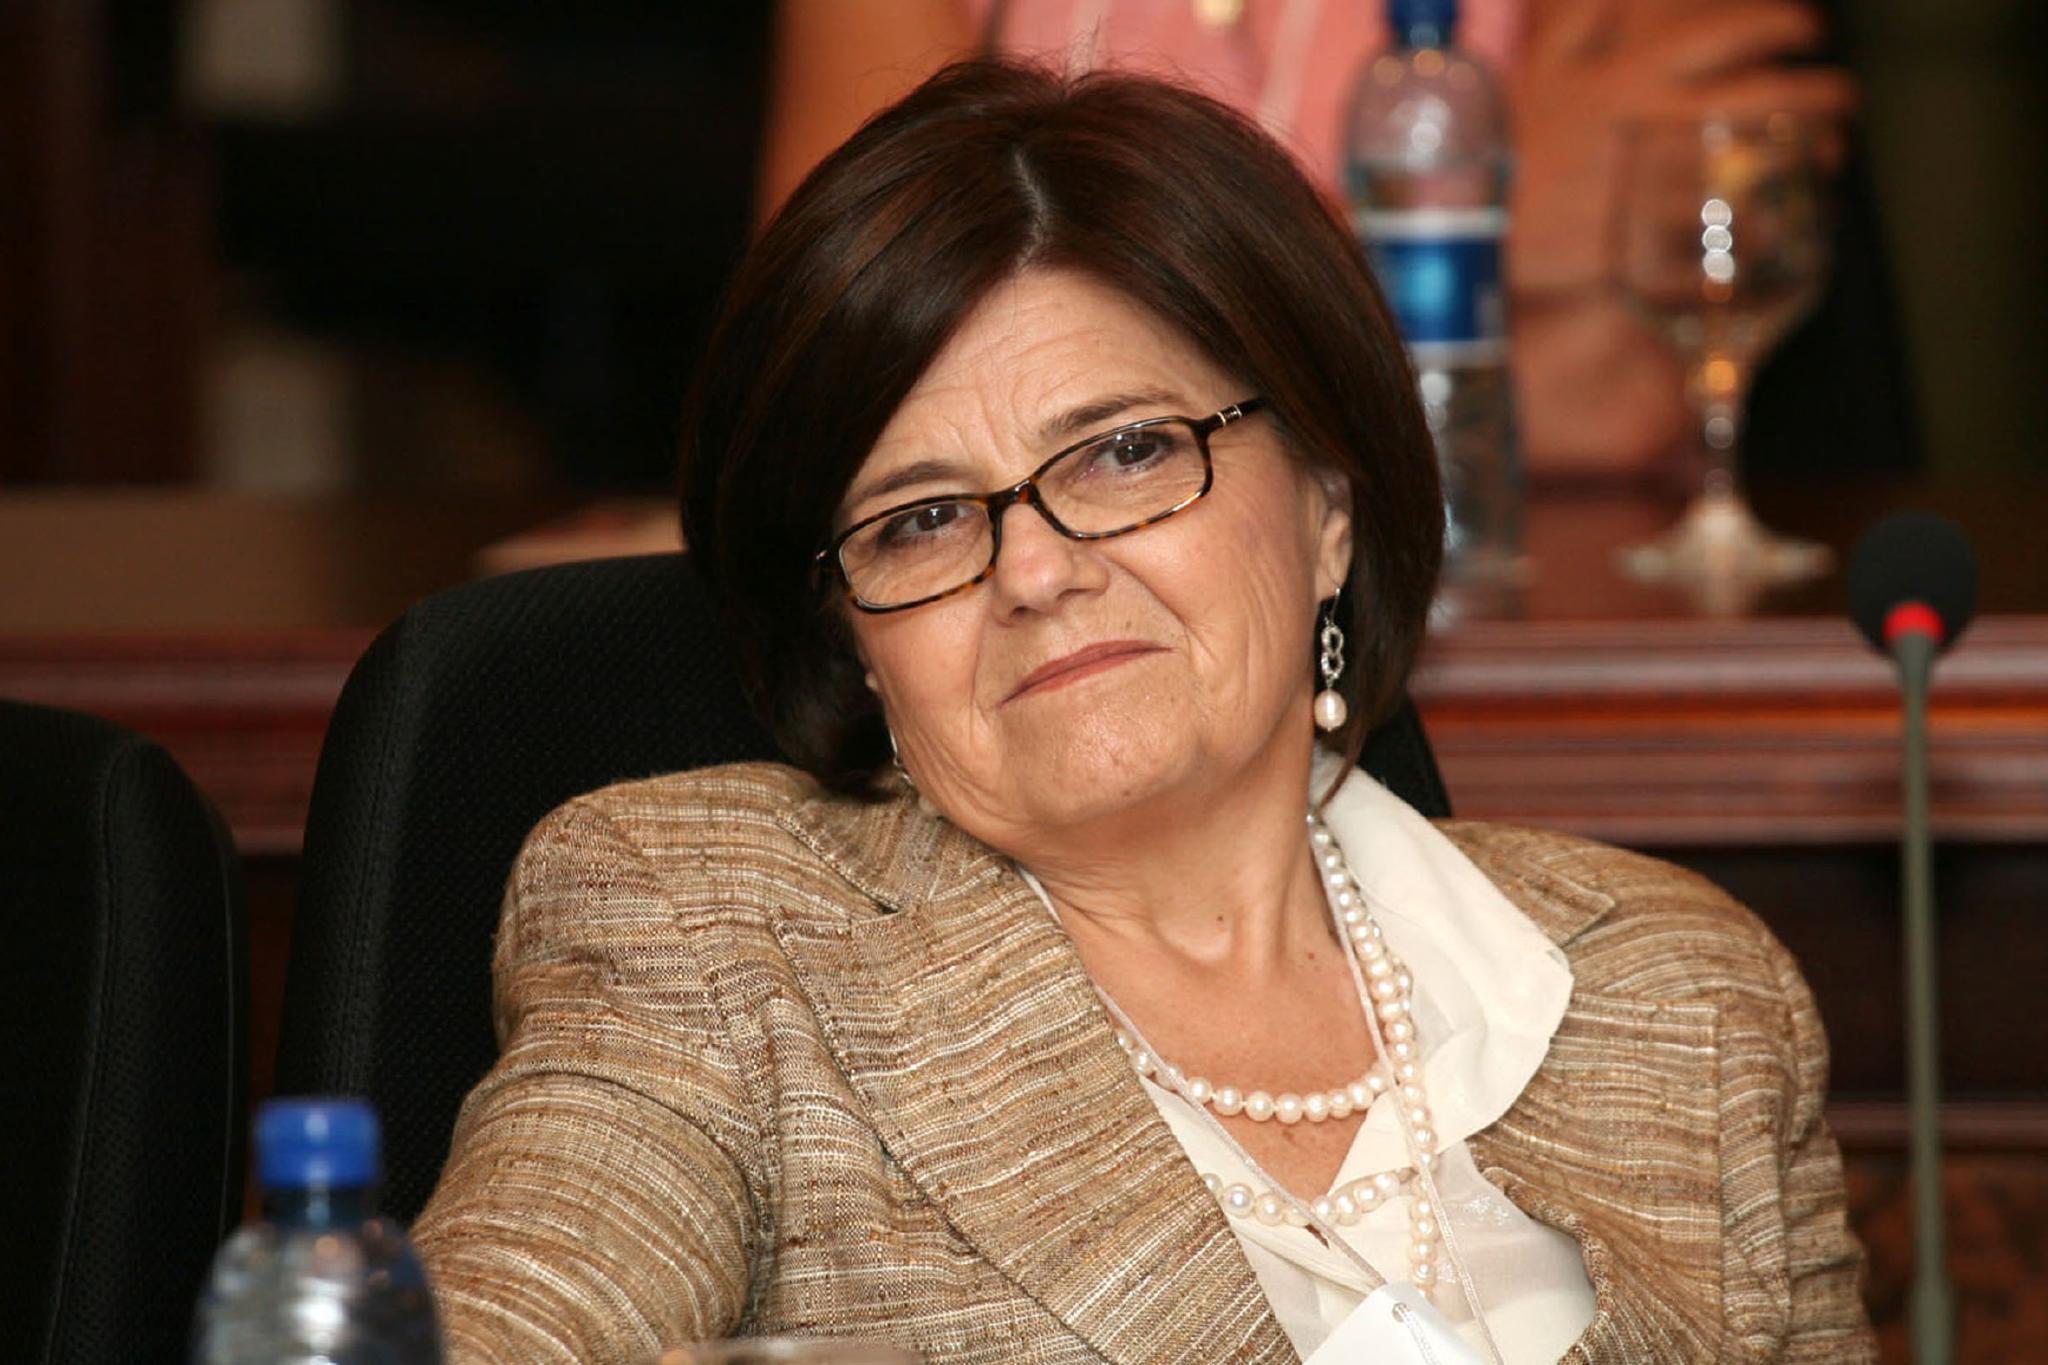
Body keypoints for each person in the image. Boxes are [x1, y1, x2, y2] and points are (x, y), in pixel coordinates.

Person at [411, 60, 1873, 1362]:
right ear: (853, 641)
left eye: (1123, 452)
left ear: (1329, 508)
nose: (1035, 570)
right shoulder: (708, 933)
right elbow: (506, 1314)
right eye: (919, 521)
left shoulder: (1686, 998)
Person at [758, 0, 1860, 479]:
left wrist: (1092, 369)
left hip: (1525, 659)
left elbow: (1616, 395)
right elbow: (859, 354)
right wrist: (1466, 229)